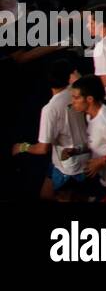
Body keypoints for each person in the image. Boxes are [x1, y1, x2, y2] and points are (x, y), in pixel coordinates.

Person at [10, 60, 90, 201]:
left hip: (69, 165)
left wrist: (22, 147)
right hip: (77, 155)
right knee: (46, 195)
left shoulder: (50, 109)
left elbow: (42, 148)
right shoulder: (75, 92)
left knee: (65, 198)